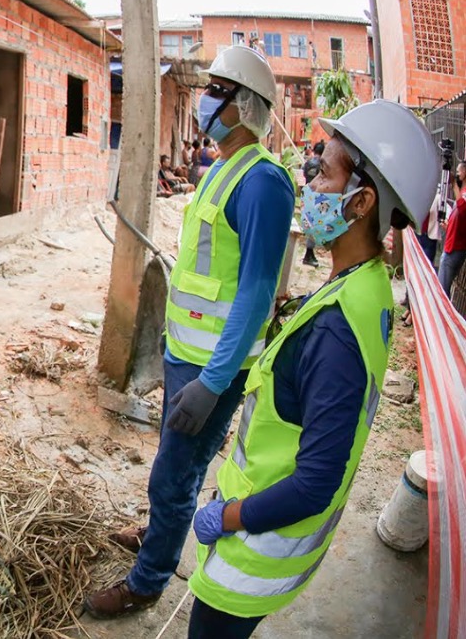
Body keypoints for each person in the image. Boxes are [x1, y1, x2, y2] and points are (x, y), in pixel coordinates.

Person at [185, 100, 439, 638]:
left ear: (361, 202)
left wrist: (228, 517)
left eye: (324, 172)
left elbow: (315, 483)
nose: (311, 184)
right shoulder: (364, 286)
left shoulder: (337, 331)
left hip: (255, 550)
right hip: (264, 525)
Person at [84, 46, 295, 619]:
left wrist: (213, 380)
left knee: (173, 473)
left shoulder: (262, 182)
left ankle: (148, 580)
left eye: (217, 90)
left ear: (242, 106)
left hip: (213, 369)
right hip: (188, 355)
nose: (205, 99)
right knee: (178, 467)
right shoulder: (222, 166)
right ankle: (163, 534)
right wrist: (173, 345)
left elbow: (254, 291)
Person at [438, 160, 466, 297]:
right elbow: (460, 222)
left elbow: (462, 209)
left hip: (455, 249)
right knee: (443, 287)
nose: (457, 173)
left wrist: (454, 184)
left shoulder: (463, 193)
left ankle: (443, 318)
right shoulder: (461, 192)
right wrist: (448, 227)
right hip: (451, 245)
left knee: (442, 291)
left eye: (460, 171)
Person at [301, 141, 325, 267]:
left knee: (309, 225)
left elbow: (304, 175)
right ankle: (309, 254)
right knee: (314, 226)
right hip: (317, 197)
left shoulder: (308, 163)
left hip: (307, 195)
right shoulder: (322, 165)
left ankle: (309, 253)